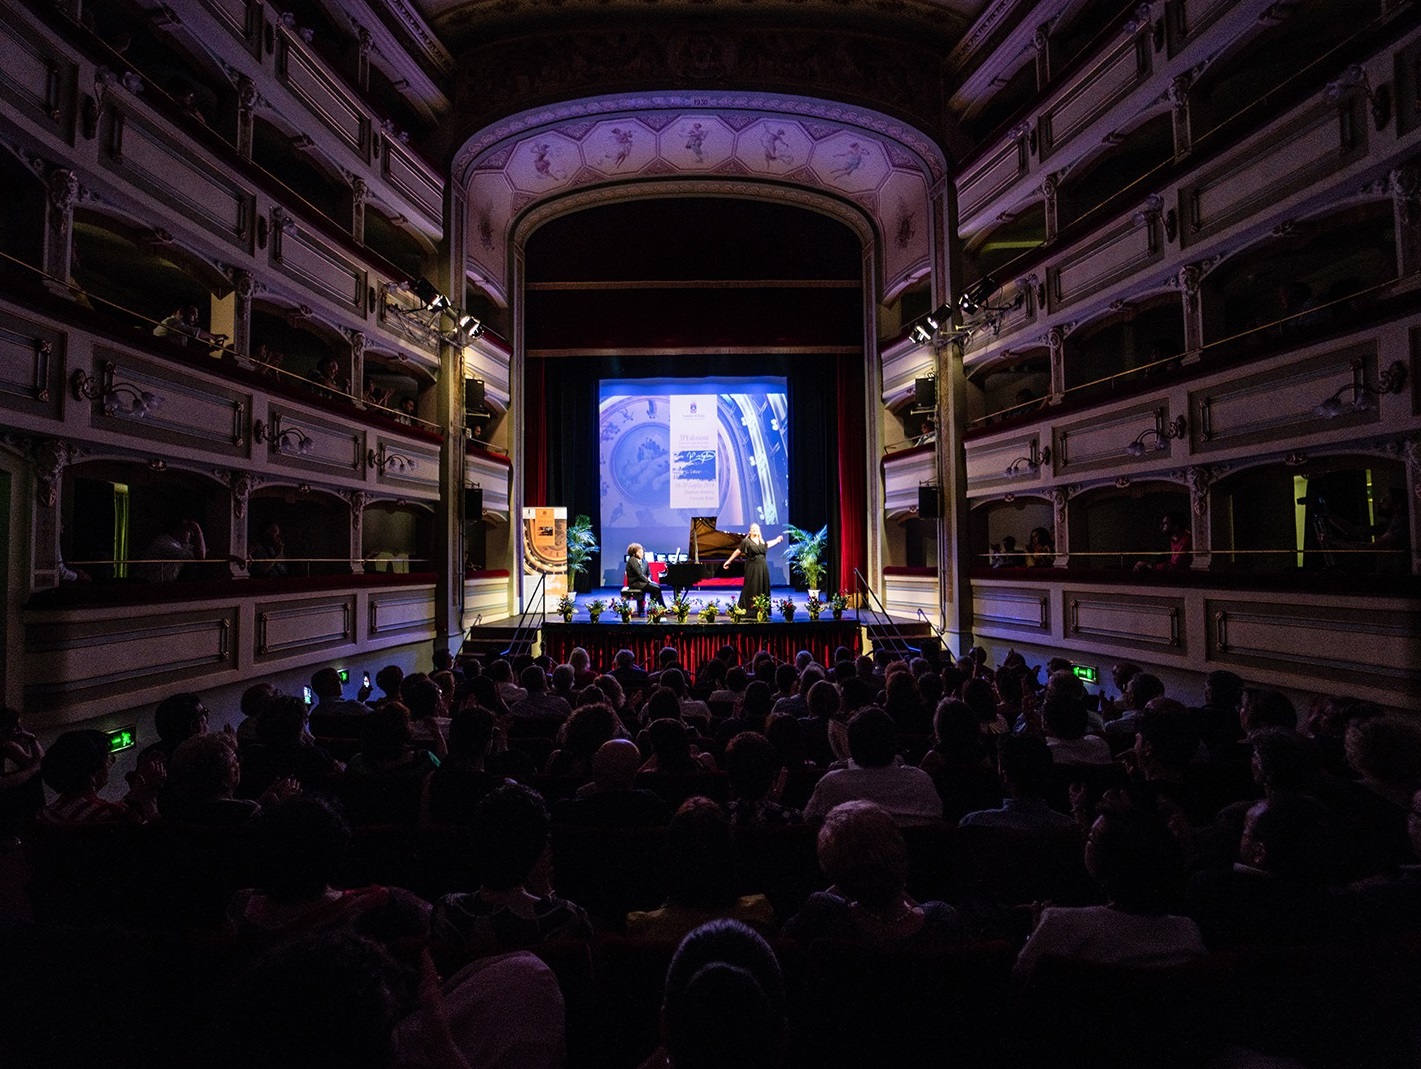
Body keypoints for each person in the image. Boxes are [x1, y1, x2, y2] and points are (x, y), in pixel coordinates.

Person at [723, 522, 784, 611]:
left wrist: (777, 540)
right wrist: (729, 561)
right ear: (750, 531)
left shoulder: (761, 541)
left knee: (762, 586)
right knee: (751, 586)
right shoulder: (746, 541)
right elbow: (738, 551)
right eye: (753, 528)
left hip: (763, 568)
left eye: (757, 528)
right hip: (752, 568)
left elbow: (767, 545)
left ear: (759, 531)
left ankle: (762, 609)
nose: (755, 529)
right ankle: (749, 608)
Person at [136, 517, 207, 582]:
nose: (191, 534)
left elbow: (200, 551)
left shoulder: (179, 544)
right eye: (187, 531)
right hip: (147, 584)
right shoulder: (165, 544)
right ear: (176, 531)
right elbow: (200, 556)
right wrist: (198, 531)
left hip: (159, 584)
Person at [623, 541, 666, 612]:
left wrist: (649, 577)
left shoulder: (644, 561)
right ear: (634, 553)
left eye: (642, 552)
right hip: (635, 583)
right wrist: (648, 581)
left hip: (642, 582)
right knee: (657, 588)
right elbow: (639, 574)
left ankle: (652, 608)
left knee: (655, 589)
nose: (642, 554)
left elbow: (649, 573)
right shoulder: (632, 560)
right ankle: (663, 607)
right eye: (639, 552)